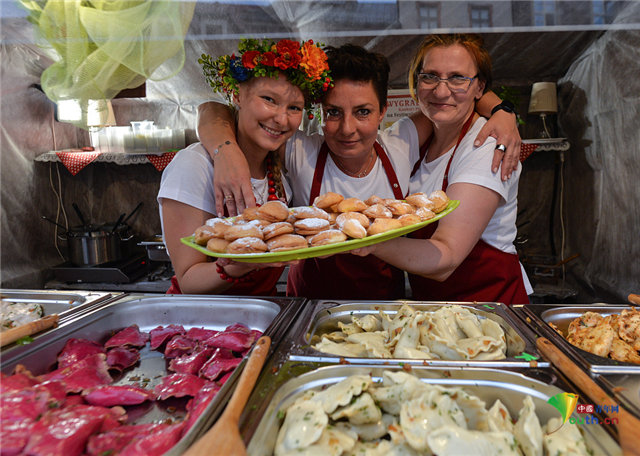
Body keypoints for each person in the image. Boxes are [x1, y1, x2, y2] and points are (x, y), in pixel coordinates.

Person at [197, 43, 522, 300]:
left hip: (383, 311)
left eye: (363, 112)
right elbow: (214, 108)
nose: (347, 129)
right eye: (334, 112)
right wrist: (225, 152)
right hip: (309, 307)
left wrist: (502, 111)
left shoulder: (400, 145)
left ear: (384, 112)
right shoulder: (300, 150)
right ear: (319, 114)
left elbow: (449, 98)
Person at [352, 34, 531, 304]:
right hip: (439, 312)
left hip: (492, 310)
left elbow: (446, 258)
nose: (441, 91)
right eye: (430, 77)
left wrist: (366, 242)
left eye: (457, 78)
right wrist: (502, 109)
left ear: (478, 87)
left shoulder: (486, 147)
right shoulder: (416, 137)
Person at [157, 38, 331, 295]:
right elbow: (188, 280)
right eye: (269, 100)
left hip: (264, 314)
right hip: (207, 322)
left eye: (294, 107)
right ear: (237, 95)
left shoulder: (279, 166)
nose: (281, 119)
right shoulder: (194, 166)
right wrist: (239, 265)